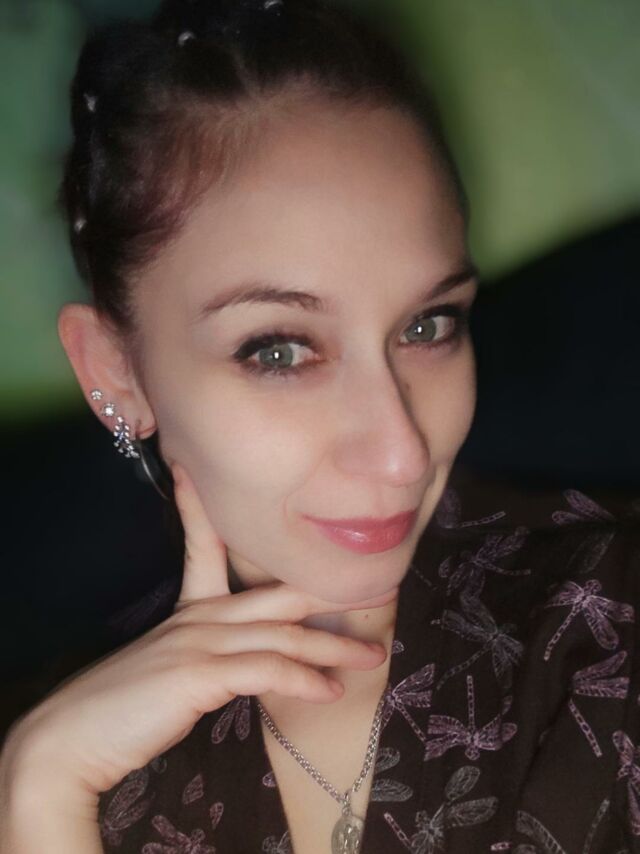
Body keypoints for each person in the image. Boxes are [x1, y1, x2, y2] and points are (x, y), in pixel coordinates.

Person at [0, 0, 638, 852]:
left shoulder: (609, 624)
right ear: (116, 371)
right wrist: (43, 788)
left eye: (428, 326)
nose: (403, 452)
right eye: (280, 351)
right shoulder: (70, 752)